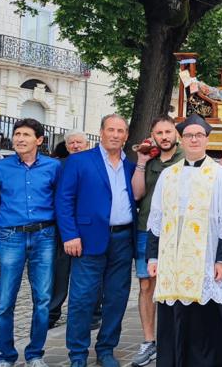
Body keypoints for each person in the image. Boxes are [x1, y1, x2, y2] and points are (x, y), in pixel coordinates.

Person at [146, 114, 222, 366]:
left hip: (207, 259)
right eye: (189, 135)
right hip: (173, 261)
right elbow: (156, 218)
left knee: (207, 320)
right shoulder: (168, 175)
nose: (193, 139)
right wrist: (153, 256)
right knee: (174, 316)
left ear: (206, 139)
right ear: (181, 139)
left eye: (199, 135)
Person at [57, 114, 137, 367]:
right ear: (101, 132)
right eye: (111, 130)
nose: (115, 135)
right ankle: (77, 354)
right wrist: (70, 234)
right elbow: (64, 199)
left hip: (123, 239)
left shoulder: (130, 166)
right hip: (87, 239)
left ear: (126, 136)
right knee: (82, 298)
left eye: (120, 131)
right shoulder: (79, 161)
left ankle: (106, 349)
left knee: (117, 298)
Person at [0, 118, 61, 367]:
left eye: (26, 135)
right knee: (5, 301)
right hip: (9, 237)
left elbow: (63, 203)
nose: (20, 139)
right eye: (17, 134)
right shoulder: (0, 169)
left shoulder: (54, 167)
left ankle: (35, 354)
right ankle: (6, 356)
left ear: (39, 140)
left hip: (44, 236)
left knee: (43, 300)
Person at [128, 116, 184, 366]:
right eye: (159, 133)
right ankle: (149, 341)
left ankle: (176, 340)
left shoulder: (186, 157)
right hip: (147, 229)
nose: (164, 137)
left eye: (168, 132)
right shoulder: (148, 159)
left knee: (177, 285)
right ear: (152, 136)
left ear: (176, 134)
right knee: (146, 285)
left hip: (178, 231)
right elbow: (137, 194)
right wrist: (141, 162)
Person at [49, 131, 97, 331]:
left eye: (79, 142)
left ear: (87, 144)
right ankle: (52, 313)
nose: (76, 145)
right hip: (64, 227)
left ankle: (91, 313)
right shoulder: (59, 166)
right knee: (59, 273)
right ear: (67, 146)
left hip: (91, 227)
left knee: (89, 275)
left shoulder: (96, 164)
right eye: (72, 143)